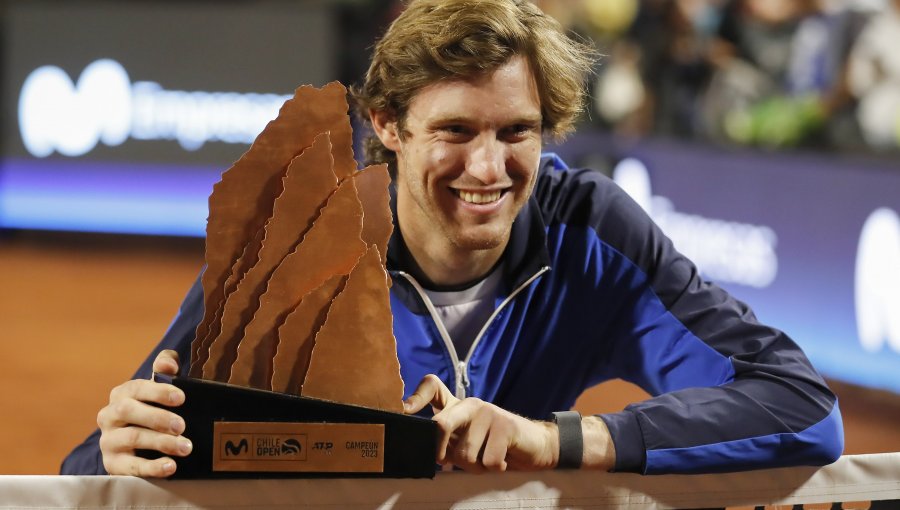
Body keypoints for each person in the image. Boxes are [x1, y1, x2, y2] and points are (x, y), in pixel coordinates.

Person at [62, 0, 843, 477]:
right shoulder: (295, 245)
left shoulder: (593, 235)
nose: (489, 167)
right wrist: (121, 453)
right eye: (456, 130)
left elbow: (803, 410)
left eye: (517, 131)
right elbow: (102, 463)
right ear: (386, 126)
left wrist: (555, 442)